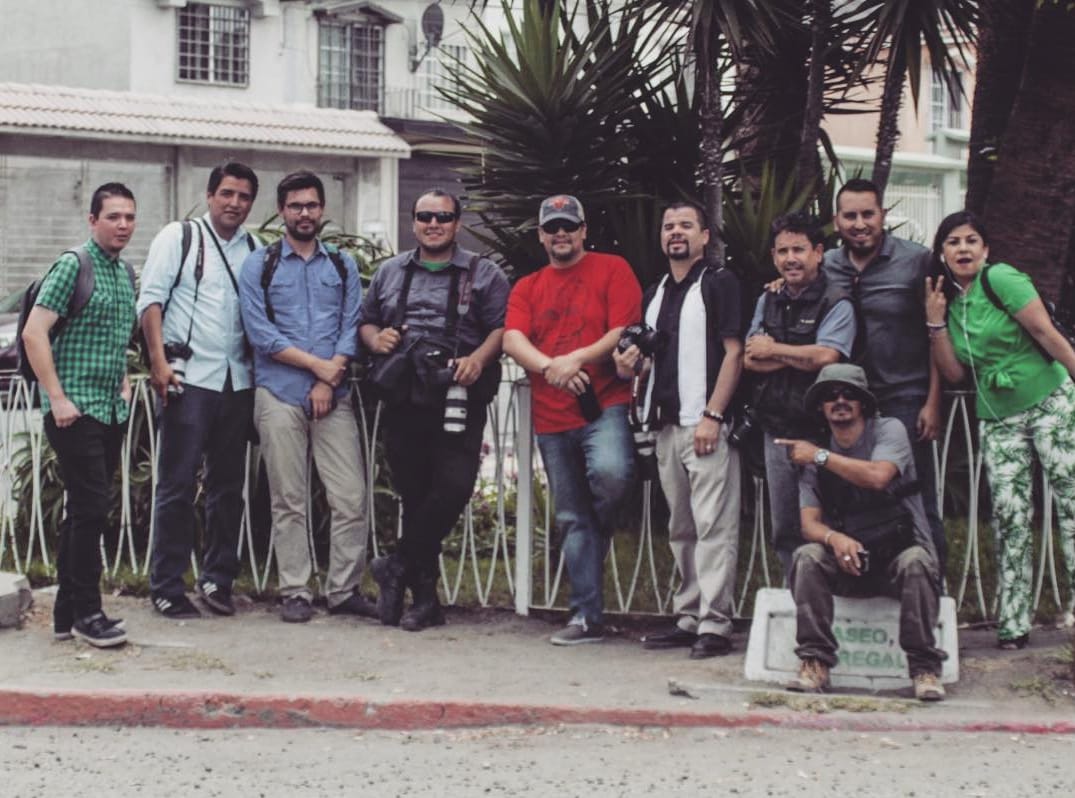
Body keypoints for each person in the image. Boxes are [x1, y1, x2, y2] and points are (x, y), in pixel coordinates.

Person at [359, 189, 509, 632]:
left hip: (458, 393)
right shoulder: (389, 272)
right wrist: (375, 340)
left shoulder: (485, 274)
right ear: (414, 223)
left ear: (457, 224)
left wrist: (479, 359)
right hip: (405, 396)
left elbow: (504, 327)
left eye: (443, 216)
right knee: (415, 495)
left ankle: (396, 564)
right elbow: (365, 321)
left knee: (455, 485)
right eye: (425, 216)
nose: (434, 223)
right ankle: (425, 602)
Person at [926, 210, 1075, 649]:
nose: (964, 249)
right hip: (998, 418)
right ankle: (1014, 622)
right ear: (942, 253)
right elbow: (953, 372)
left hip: (1050, 402)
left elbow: (1047, 336)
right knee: (1010, 517)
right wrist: (934, 322)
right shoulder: (948, 302)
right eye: (953, 242)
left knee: (1072, 505)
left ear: (986, 249)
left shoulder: (1002, 280)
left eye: (972, 240)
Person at [503, 194, 641, 645]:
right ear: (542, 235)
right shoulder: (528, 285)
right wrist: (549, 369)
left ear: (584, 230)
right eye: (552, 227)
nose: (561, 234)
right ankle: (586, 617)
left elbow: (622, 329)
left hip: (604, 404)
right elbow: (512, 338)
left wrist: (574, 359)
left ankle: (595, 527)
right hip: (552, 415)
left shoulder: (613, 269)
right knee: (570, 516)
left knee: (612, 475)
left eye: (569, 226)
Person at [239, 171, 373, 624]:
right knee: (288, 498)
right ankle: (295, 589)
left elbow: (351, 324)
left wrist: (326, 380)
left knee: (350, 496)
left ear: (322, 210)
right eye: (295, 206)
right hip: (278, 393)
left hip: (331, 395)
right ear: (281, 212)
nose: (304, 213)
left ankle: (343, 589)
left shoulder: (342, 264)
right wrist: (317, 369)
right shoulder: (260, 264)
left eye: (311, 205)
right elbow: (260, 333)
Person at [613, 200, 743, 659]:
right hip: (666, 423)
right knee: (683, 526)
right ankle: (689, 616)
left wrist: (715, 415)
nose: (676, 232)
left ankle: (715, 623)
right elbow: (647, 361)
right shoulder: (656, 292)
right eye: (668, 225)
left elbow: (734, 353)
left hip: (703, 422)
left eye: (686, 225)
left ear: (705, 236)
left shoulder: (719, 283)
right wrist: (627, 363)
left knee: (714, 526)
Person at [776, 363, 946, 701]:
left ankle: (924, 669)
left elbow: (878, 477)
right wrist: (834, 539)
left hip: (895, 555)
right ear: (821, 406)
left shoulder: (888, 431)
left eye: (849, 394)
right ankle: (814, 662)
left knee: (917, 561)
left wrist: (820, 457)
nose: (840, 401)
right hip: (846, 560)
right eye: (830, 396)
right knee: (807, 557)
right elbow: (809, 523)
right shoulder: (816, 449)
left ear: (864, 403)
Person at [139, 162, 260, 619]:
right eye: (227, 193)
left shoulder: (255, 248)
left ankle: (217, 579)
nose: (234, 203)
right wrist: (158, 363)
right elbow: (150, 299)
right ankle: (166, 585)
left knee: (228, 487)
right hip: (188, 380)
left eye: (244, 196)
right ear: (210, 195)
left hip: (238, 381)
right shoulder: (180, 237)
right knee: (176, 484)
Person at [20, 182, 138, 647]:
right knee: (92, 508)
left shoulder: (124, 272)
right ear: (93, 220)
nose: (123, 225)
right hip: (74, 412)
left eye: (129, 217)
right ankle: (90, 613)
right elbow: (34, 333)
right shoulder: (75, 265)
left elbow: (115, 335)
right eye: (113, 216)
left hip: (109, 410)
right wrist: (57, 396)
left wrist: (125, 381)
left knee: (81, 510)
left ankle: (67, 613)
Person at [825, 178, 946, 571]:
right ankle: (863, 594)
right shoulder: (826, 264)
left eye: (867, 214)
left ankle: (932, 590)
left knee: (915, 496)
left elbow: (935, 331)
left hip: (904, 397)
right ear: (836, 220)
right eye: (850, 216)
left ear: (883, 216)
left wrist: (932, 401)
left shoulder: (917, 261)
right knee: (848, 497)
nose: (859, 223)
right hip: (845, 401)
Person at [744, 212, 856, 575]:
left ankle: (838, 601)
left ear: (819, 252)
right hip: (777, 429)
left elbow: (827, 358)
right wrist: (800, 354)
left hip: (825, 431)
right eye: (782, 251)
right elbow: (750, 359)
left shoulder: (837, 301)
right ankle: (798, 604)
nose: (790, 258)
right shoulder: (768, 298)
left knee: (831, 522)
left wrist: (776, 349)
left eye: (799, 249)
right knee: (786, 527)